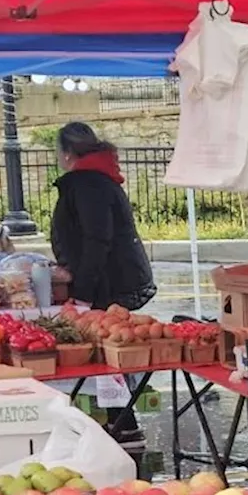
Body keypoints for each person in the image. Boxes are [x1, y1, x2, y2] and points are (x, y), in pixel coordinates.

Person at [50, 122, 157, 446]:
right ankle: (118, 422)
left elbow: (97, 240)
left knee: (107, 350)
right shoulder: (97, 179)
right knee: (107, 350)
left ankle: (123, 424)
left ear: (67, 153)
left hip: (106, 282)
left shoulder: (88, 184)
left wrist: (82, 292)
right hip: (108, 278)